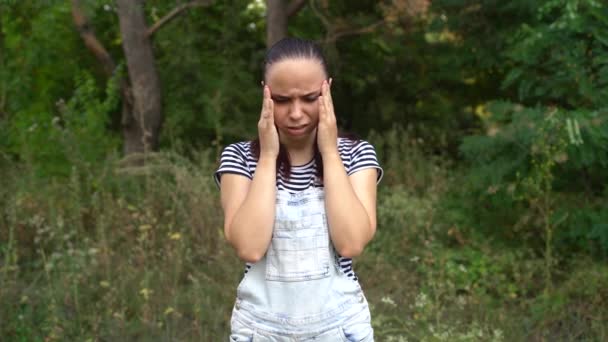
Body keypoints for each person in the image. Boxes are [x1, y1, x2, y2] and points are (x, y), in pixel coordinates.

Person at [214, 37, 383, 341]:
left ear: (327, 90)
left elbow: (352, 242)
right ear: (264, 93)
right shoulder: (239, 158)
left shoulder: (357, 155)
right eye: (281, 100)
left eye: (309, 98)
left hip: (340, 329)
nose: (296, 113)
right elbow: (249, 247)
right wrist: (267, 156)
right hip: (260, 330)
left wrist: (330, 153)